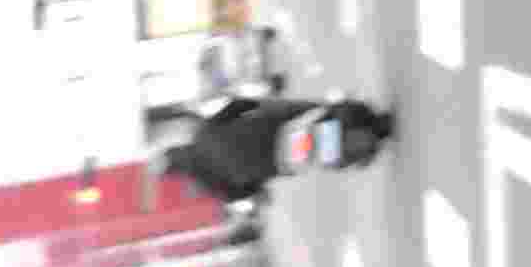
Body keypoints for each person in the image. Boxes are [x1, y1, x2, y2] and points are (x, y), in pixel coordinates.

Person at [158, 92, 391, 208]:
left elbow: (234, 195)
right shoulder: (203, 132)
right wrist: (254, 104)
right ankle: (359, 118)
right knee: (316, 109)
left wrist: (255, 185)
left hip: (278, 161)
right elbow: (235, 106)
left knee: (319, 156)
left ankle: (359, 143)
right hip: (272, 126)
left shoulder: (205, 182)